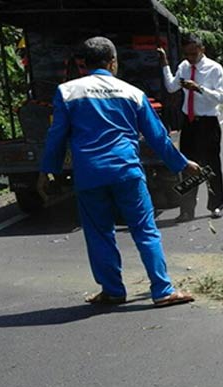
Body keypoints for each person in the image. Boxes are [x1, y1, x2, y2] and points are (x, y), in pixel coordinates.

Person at [37, 37, 199, 307]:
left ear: (82, 65)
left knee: (100, 232)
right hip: (127, 172)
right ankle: (162, 290)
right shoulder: (132, 93)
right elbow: (157, 136)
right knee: (145, 230)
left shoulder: (67, 92)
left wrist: (47, 170)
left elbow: (56, 136)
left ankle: (112, 290)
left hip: (89, 174)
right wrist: (182, 163)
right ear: (113, 62)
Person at [158, 34, 223, 222]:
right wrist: (165, 65)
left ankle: (216, 205)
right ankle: (187, 209)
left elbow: (221, 97)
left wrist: (199, 88)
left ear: (201, 49)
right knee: (187, 164)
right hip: (188, 122)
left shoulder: (214, 68)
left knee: (211, 165)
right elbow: (172, 87)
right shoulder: (184, 67)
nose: (190, 58)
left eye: (194, 53)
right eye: (187, 54)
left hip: (208, 122)